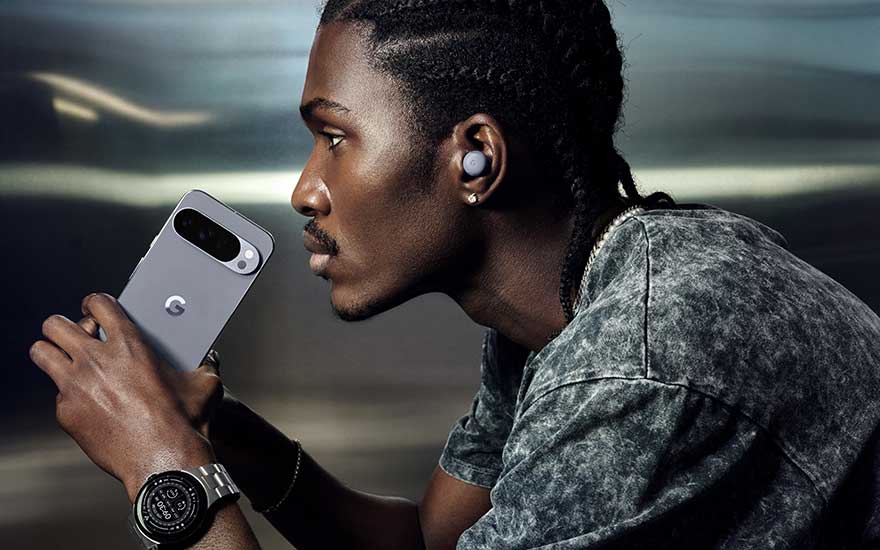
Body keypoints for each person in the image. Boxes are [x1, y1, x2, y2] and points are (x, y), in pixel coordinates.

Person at [28, 1, 880, 548]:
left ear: (476, 156)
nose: (304, 189)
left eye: (333, 135)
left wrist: (165, 474)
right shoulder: (564, 308)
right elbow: (432, 545)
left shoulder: (636, 366)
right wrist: (227, 441)